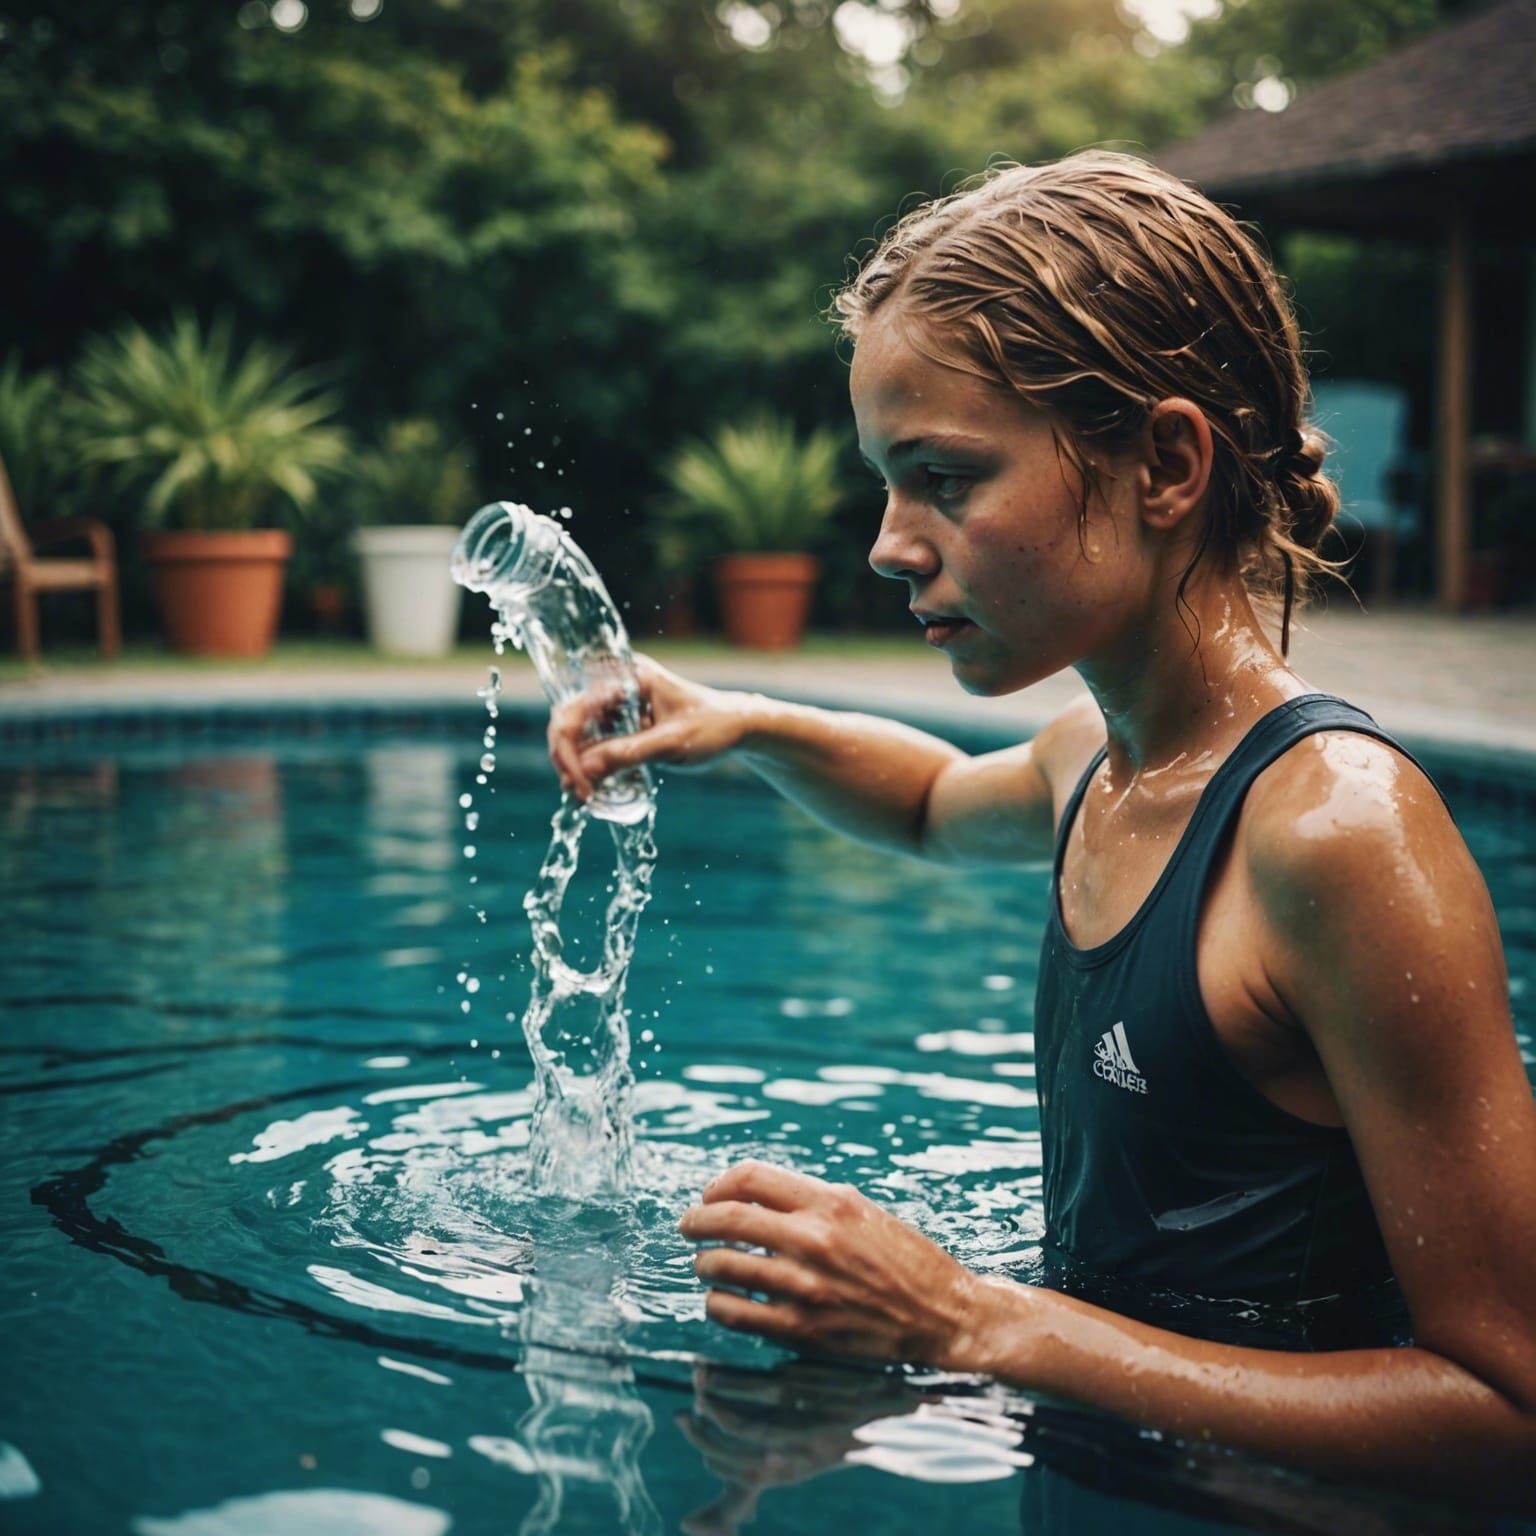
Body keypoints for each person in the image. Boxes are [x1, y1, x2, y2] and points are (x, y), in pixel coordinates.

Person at [547, 150, 1536, 1508]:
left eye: (943, 478)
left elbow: (1509, 1410)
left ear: (1167, 465)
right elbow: (930, 800)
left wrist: (974, 1324)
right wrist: (742, 720)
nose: (893, 543)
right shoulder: (1101, 760)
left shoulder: (1337, 839)